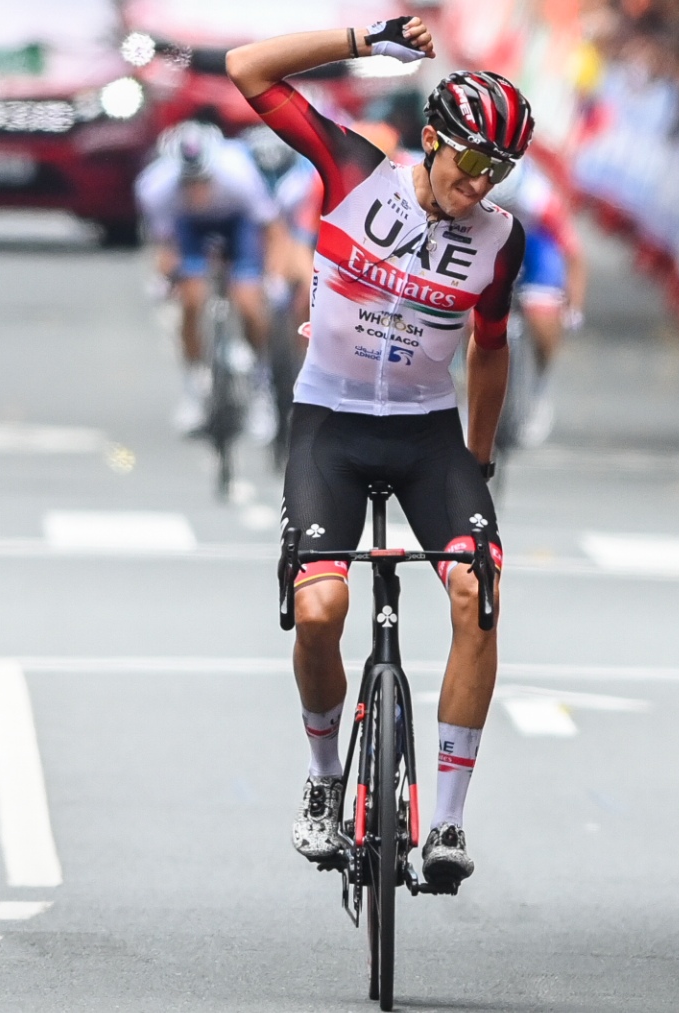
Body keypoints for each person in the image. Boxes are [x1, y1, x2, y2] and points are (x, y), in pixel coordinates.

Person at [226, 16, 528, 889]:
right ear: (432, 140)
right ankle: (325, 784)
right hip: (333, 420)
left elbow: (493, 347)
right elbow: (247, 66)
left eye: (497, 170)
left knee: (477, 593)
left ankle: (448, 825)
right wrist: (362, 40)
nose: (479, 182)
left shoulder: (502, 243)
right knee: (320, 611)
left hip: (429, 432)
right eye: (469, 160)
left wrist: (480, 456)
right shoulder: (358, 173)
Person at [135, 120, 279, 442]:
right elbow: (165, 245)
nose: (197, 190)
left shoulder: (240, 175)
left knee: (250, 304)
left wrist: (269, 276)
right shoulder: (156, 188)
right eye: (189, 182)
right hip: (189, 228)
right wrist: (165, 279)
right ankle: (193, 394)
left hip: (237, 224)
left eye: (203, 180)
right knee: (190, 301)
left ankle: (262, 394)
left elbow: (269, 229)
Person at [486, 156, 587, 444]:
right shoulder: (473, 191)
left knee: (541, 314)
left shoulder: (540, 200)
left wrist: (574, 308)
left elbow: (574, 256)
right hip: (489, 239)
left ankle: (540, 387)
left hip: (537, 244)